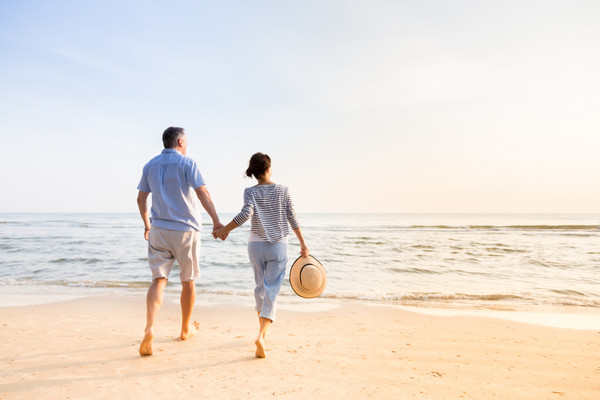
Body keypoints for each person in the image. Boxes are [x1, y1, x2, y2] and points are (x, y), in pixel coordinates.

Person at [136, 126, 226, 356]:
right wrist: (216, 221)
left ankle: (149, 328)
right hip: (186, 230)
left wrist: (147, 224)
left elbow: (141, 198)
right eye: (186, 141)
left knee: (159, 280)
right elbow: (202, 192)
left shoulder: (150, 165)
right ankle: (185, 329)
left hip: (159, 229)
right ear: (180, 141)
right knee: (188, 281)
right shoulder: (188, 163)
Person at [214, 152, 309, 358]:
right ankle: (262, 336)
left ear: (254, 173)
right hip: (278, 246)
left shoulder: (249, 192)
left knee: (260, 288)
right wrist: (302, 243)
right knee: (272, 290)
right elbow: (292, 217)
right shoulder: (283, 190)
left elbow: (245, 214)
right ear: (269, 169)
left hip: (255, 244)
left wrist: (224, 230)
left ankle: (261, 333)